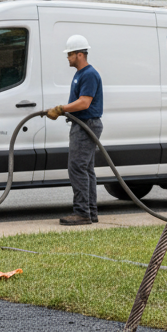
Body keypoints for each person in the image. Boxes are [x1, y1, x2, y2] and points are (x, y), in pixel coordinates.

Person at [47, 35, 103, 225]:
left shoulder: (88, 74)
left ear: (80, 54)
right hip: (83, 124)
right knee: (86, 169)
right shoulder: (80, 74)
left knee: (77, 168)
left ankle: (82, 213)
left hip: (86, 125)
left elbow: (84, 102)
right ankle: (90, 212)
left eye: (70, 54)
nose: (68, 58)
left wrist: (61, 108)